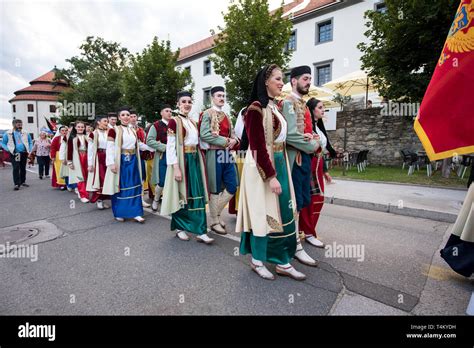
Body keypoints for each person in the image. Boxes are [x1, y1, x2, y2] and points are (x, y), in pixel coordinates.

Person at [236, 64, 306, 281]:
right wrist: (271, 176)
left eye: (281, 79)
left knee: (283, 212)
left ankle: (282, 260)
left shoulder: (274, 107)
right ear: (265, 81)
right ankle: (258, 260)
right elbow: (256, 146)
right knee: (263, 214)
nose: (281, 83)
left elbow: (282, 139)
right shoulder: (255, 109)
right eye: (277, 78)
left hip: (279, 162)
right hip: (261, 168)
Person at [280, 65, 321, 267]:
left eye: (310, 79)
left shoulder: (303, 104)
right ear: (294, 81)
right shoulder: (287, 103)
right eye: (305, 78)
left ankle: (295, 240)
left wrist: (314, 138)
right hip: (294, 158)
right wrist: (314, 144)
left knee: (302, 200)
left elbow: (310, 131)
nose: (309, 82)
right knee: (294, 203)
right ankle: (295, 246)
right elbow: (291, 136)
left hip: (304, 157)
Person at [161, 91, 213, 244]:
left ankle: (201, 230)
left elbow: (199, 143)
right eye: (183, 101)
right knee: (182, 194)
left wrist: (215, 139)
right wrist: (176, 168)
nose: (187, 104)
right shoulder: (173, 122)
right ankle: (180, 228)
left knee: (197, 194)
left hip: (194, 160)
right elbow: (170, 147)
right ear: (178, 104)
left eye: (189, 101)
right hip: (182, 162)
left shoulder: (193, 122)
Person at [199, 86, 239, 235]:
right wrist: (226, 140)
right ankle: (215, 221)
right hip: (213, 154)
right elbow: (204, 134)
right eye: (219, 96)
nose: (222, 98)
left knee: (232, 186)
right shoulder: (207, 114)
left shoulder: (227, 116)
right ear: (212, 98)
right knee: (215, 188)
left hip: (227, 154)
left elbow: (233, 134)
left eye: (223, 95)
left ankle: (215, 214)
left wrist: (234, 140)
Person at [299, 98, 336, 248]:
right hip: (309, 164)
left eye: (324, 107)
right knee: (311, 200)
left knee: (318, 200)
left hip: (318, 165)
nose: (323, 110)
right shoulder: (307, 127)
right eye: (320, 107)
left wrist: (325, 171)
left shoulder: (319, 128)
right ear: (312, 109)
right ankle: (308, 233)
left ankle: (307, 230)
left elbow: (322, 150)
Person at [103, 107, 145, 223]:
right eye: (123, 115)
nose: (126, 117)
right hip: (121, 161)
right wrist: (111, 163)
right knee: (121, 186)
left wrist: (152, 148)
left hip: (133, 160)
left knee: (135, 185)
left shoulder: (133, 130)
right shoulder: (113, 130)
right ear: (119, 117)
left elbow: (138, 144)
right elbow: (110, 147)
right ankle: (120, 212)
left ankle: (136, 212)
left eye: (128, 115)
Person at [147, 105, 172, 212]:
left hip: (175, 155)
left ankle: (171, 203)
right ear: (161, 113)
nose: (169, 113)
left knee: (174, 181)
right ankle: (156, 199)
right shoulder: (156, 125)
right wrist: (165, 147)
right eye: (167, 111)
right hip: (163, 155)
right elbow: (149, 140)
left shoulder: (174, 124)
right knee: (162, 181)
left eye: (171, 111)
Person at [129, 110, 153, 208]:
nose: (133, 118)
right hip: (130, 156)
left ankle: (141, 198)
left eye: (135, 116)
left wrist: (150, 148)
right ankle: (131, 199)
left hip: (140, 155)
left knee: (142, 177)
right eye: (131, 116)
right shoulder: (127, 129)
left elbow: (143, 142)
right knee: (131, 178)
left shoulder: (140, 129)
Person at [87, 115, 111, 210]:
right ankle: (99, 200)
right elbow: (90, 150)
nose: (107, 123)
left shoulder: (109, 132)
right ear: (98, 122)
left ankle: (105, 198)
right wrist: (90, 164)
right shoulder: (93, 134)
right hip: (99, 157)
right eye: (105, 121)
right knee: (100, 178)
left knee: (108, 178)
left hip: (108, 156)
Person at [1, 119, 33, 190]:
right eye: (18, 125)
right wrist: (8, 149)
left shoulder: (25, 133)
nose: (20, 126)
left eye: (21, 124)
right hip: (15, 153)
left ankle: (22, 181)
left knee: (23, 168)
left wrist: (30, 150)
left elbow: (30, 142)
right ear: (14, 125)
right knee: (16, 168)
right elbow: (3, 143)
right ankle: (16, 183)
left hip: (24, 153)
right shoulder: (8, 133)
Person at [67, 121, 90, 203]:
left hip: (86, 157)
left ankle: (84, 192)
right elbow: (69, 150)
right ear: (75, 128)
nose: (80, 128)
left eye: (82, 127)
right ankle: (83, 195)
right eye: (79, 127)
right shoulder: (72, 138)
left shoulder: (87, 137)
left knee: (86, 176)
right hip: (77, 157)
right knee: (80, 176)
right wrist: (69, 162)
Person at [50, 126, 67, 190]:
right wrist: (53, 156)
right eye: (62, 130)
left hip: (67, 155)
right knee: (59, 170)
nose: (64, 132)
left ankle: (67, 183)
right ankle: (61, 184)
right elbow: (53, 148)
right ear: (59, 131)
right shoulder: (56, 138)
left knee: (67, 170)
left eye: (65, 130)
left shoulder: (69, 138)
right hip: (58, 156)